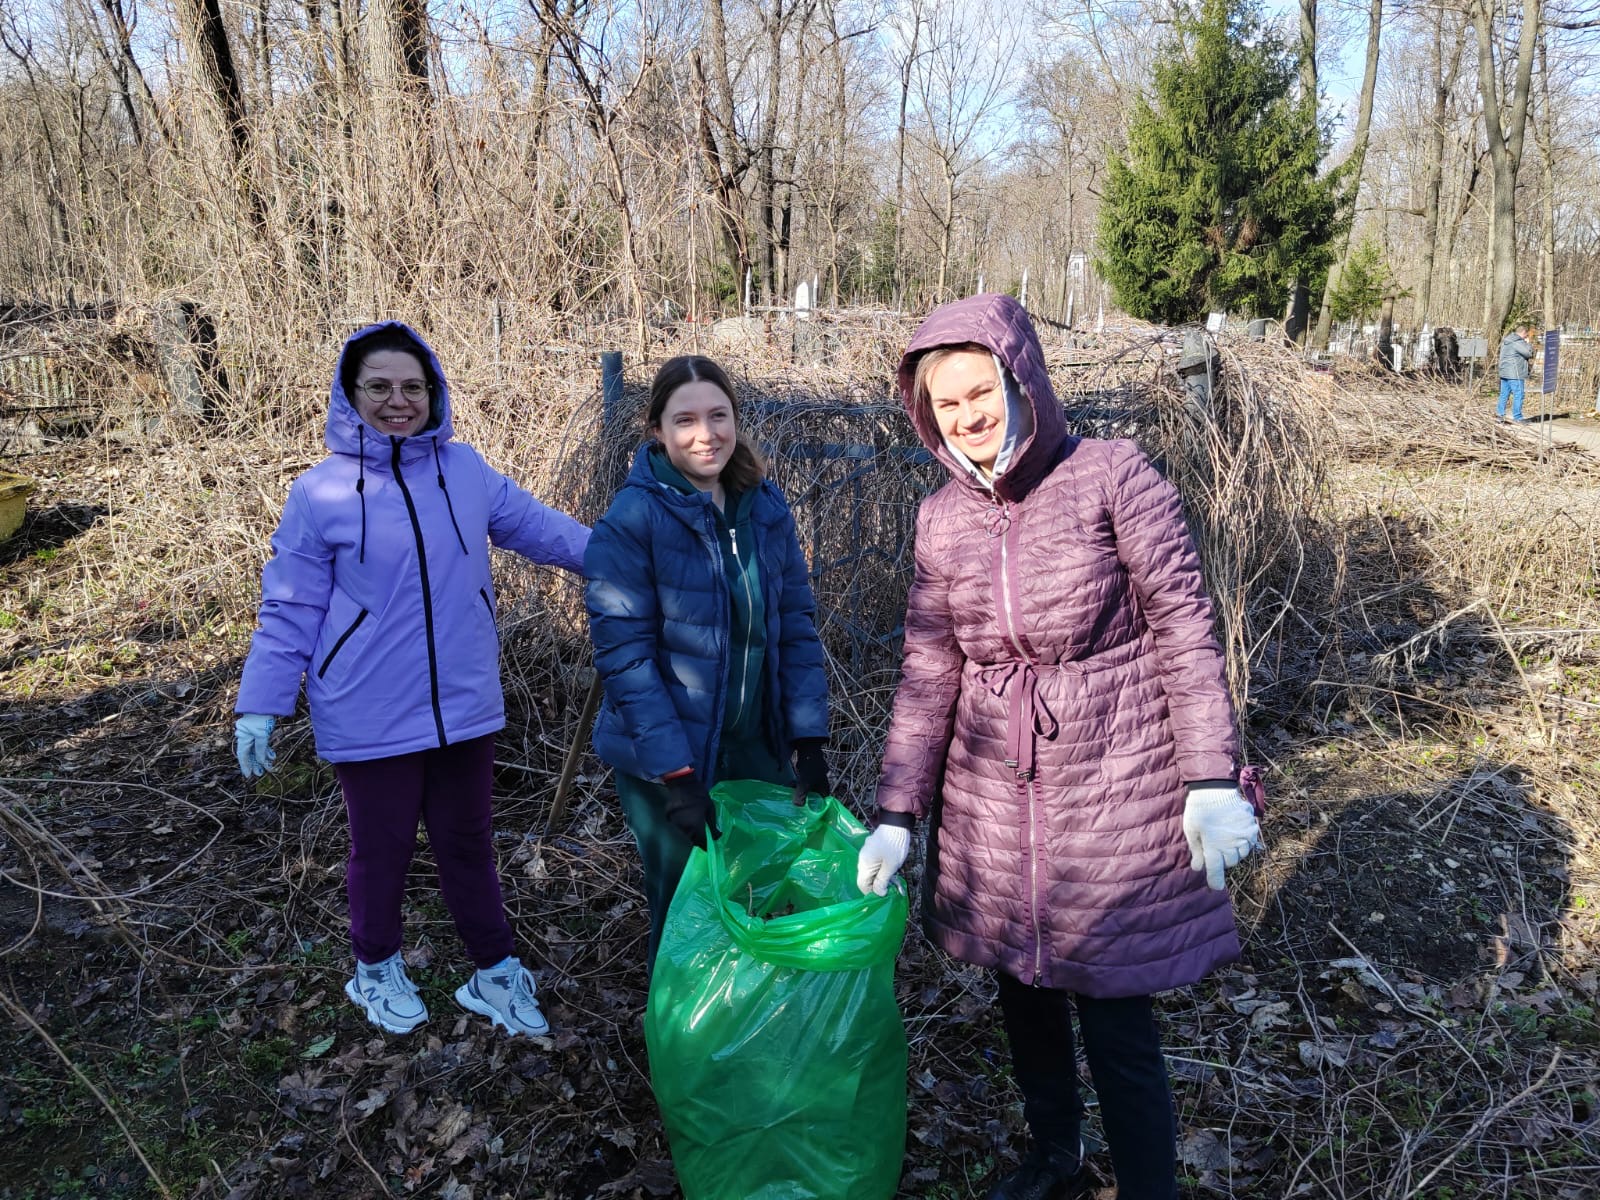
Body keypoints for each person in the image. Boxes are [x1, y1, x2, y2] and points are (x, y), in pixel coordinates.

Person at [854, 294, 1262, 1200]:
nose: (969, 415)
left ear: (1021, 374)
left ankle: (1148, 1185)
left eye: (980, 390)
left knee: (1115, 1020)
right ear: (927, 415)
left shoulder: (1113, 476)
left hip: (1111, 787)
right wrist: (896, 811)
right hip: (991, 798)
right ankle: (1055, 1160)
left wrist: (1209, 775)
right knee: (1023, 997)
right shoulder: (940, 520)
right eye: (946, 403)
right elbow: (929, 671)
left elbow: (1185, 627)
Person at [233, 322, 590, 1038]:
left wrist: (628, 556)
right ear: (351, 394)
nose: (399, 402)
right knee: (383, 846)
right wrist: (261, 703)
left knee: (467, 842)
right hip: (367, 707)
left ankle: (493, 974)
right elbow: (291, 604)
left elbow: (543, 529)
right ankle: (374, 967)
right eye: (380, 388)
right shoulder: (320, 493)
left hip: (464, 704)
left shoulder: (466, 472)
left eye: (412, 388)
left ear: (434, 393)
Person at [583, 355, 830, 971]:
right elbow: (627, 660)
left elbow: (796, 627)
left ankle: (746, 1041)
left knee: (756, 895)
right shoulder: (632, 521)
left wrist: (809, 737)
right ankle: (684, 1049)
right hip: (670, 761)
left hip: (756, 745)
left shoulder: (765, 509)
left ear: (736, 421)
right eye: (685, 419)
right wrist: (677, 777)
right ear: (657, 430)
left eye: (718, 416)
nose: (705, 434)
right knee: (685, 909)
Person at [1497, 323, 1537, 422]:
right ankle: (1518, 417)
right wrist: (1528, 343)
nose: (1526, 336)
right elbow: (1529, 353)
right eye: (1526, 335)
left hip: (1504, 372)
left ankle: (1499, 414)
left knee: (1504, 394)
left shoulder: (1506, 340)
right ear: (1523, 332)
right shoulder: (1518, 342)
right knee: (1518, 394)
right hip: (1515, 373)